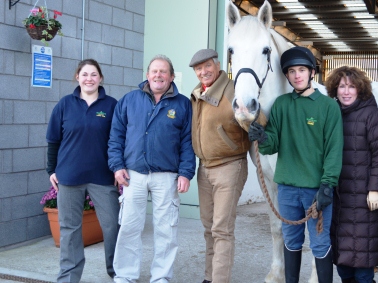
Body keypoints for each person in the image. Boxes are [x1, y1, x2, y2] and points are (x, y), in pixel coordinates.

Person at [248, 46, 343, 283]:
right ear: (287, 76)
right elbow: (272, 146)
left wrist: (328, 186)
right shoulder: (281, 105)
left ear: (312, 72)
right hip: (288, 189)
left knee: (320, 244)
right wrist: (262, 137)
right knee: (291, 241)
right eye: (291, 71)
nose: (297, 75)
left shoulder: (328, 106)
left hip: (315, 190)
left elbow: (334, 150)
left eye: (302, 70)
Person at [108, 54, 196, 283]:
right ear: (147, 75)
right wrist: (117, 167)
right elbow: (115, 137)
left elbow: (188, 142)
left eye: (163, 71)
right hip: (132, 175)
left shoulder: (183, 104)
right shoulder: (129, 100)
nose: (158, 75)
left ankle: (161, 277)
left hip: (166, 176)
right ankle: (125, 276)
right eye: (154, 71)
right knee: (128, 228)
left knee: (166, 231)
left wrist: (186, 173)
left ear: (172, 76)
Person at [46, 59, 120, 282]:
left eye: (94, 74)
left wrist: (118, 169)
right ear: (77, 77)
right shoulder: (65, 105)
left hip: (103, 177)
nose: (89, 78)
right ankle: (69, 276)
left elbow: (118, 140)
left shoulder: (112, 105)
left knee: (112, 227)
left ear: (101, 78)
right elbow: (53, 140)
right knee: (69, 229)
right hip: (69, 176)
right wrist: (52, 169)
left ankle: (116, 272)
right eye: (85, 74)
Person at [188, 49, 250, 283]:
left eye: (207, 66)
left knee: (221, 229)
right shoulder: (196, 93)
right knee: (208, 228)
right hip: (204, 168)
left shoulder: (233, 89)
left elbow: (257, 118)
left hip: (229, 166)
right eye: (198, 69)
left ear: (218, 65)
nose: (203, 72)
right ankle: (209, 277)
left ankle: (220, 280)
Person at [325, 66, 378, 283]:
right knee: (343, 267)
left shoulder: (373, 115)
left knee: (363, 268)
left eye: (351, 87)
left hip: (365, 200)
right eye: (341, 86)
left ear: (360, 89)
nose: (346, 91)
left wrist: (375, 189)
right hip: (340, 201)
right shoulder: (333, 114)